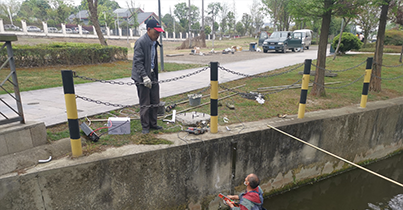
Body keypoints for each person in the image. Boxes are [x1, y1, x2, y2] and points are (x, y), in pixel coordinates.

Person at [131, 19, 165, 134]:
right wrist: (145, 77)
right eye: (156, 33)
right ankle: (145, 126)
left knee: (155, 101)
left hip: (152, 75)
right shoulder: (141, 42)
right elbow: (138, 62)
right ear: (148, 30)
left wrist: (153, 76)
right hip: (142, 76)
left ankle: (153, 124)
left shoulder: (154, 42)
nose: (158, 35)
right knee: (145, 103)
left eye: (159, 33)